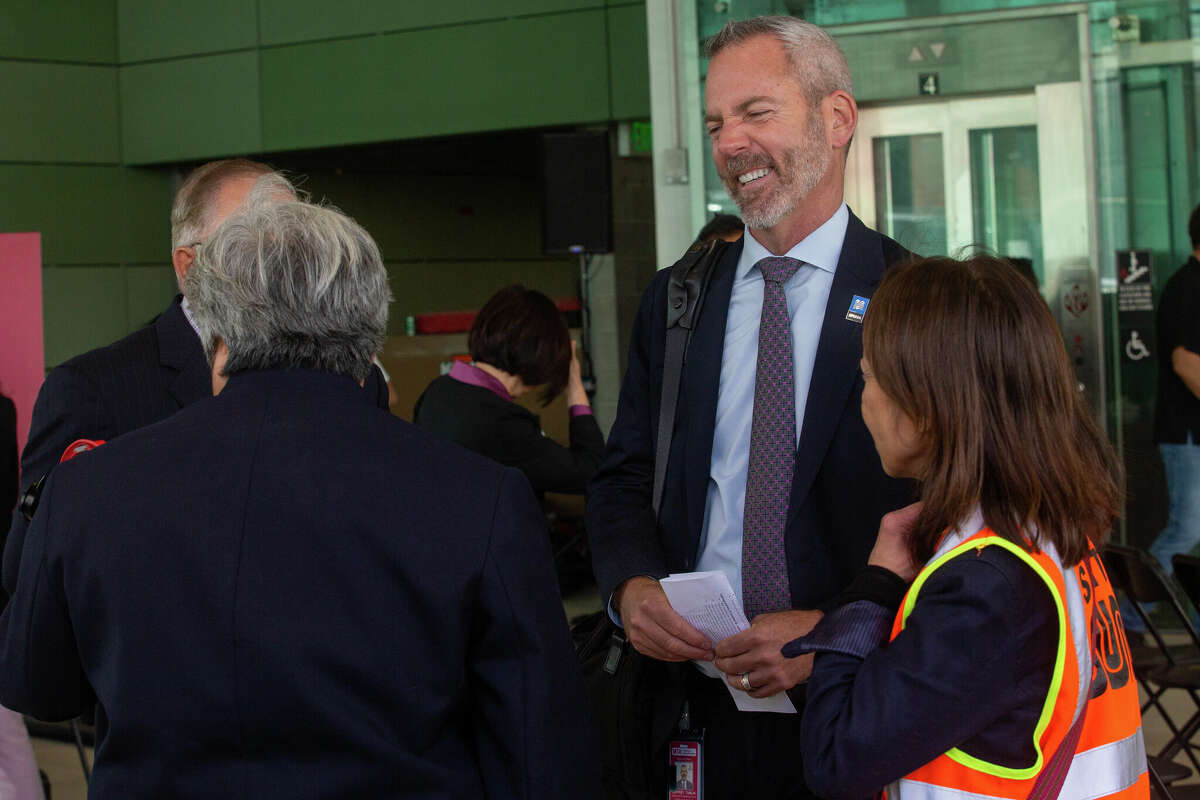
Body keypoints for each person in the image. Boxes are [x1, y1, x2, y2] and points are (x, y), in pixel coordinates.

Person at [0, 182, 598, 799]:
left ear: (219, 326)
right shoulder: (482, 498)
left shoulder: (91, 488)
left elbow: (36, 685)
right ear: (370, 331)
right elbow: (539, 749)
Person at [586, 15, 912, 798]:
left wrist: (836, 628)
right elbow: (624, 475)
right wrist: (631, 589)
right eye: (714, 123)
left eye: (755, 113)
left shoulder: (911, 298)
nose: (729, 144)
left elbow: (966, 513)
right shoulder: (680, 298)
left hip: (858, 704)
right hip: (694, 710)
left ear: (836, 120)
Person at [788, 254, 1146, 800]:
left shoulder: (987, 587)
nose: (866, 400)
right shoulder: (1042, 533)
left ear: (928, 405)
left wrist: (875, 586)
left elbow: (836, 757)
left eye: (870, 377)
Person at [4, 160, 392, 596]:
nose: (279, 270)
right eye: (250, 249)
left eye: (294, 247)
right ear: (188, 267)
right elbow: (31, 570)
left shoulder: (354, 379)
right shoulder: (93, 390)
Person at [413, 284, 604, 498]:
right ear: (538, 355)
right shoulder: (502, 423)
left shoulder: (437, 391)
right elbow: (592, 471)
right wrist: (574, 382)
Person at [1143, 205, 1200, 585]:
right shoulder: (1189, 286)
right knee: (1187, 531)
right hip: (1186, 435)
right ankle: (1128, 615)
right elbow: (1185, 362)